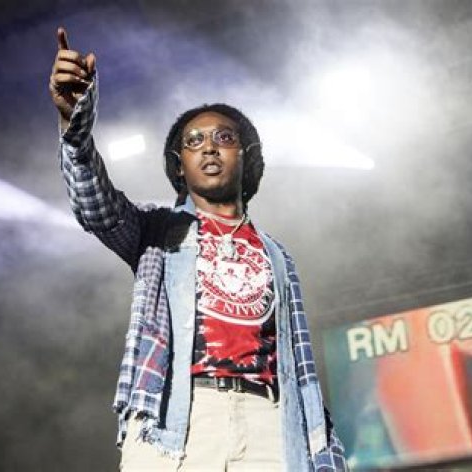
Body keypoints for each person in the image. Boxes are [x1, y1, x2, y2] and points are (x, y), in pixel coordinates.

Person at [49, 27, 347, 471]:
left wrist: (322, 450)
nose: (209, 146)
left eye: (224, 138)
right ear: (179, 166)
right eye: (193, 141)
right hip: (176, 418)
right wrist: (75, 126)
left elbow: (299, 364)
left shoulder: (276, 255)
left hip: (269, 421)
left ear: (246, 157)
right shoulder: (157, 230)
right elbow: (96, 208)